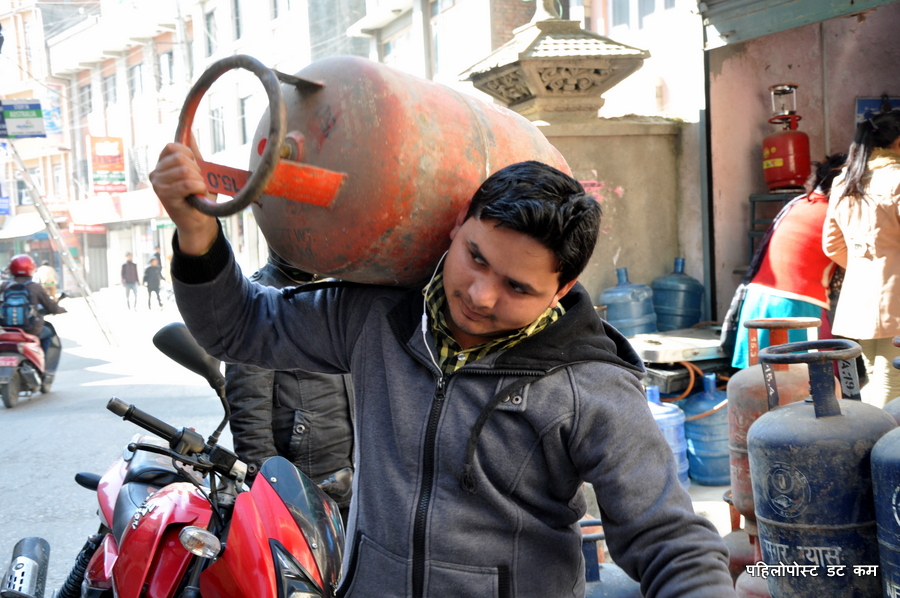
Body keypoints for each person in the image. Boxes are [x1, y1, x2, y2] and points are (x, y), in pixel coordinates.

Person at [151, 144, 735, 598]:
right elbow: (238, 327)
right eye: (475, 257)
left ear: (563, 290)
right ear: (458, 224)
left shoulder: (591, 388)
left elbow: (668, 540)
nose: (480, 295)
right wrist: (198, 233)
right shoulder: (375, 317)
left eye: (516, 287)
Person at [225, 249, 355, 521]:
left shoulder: (339, 288)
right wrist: (273, 490)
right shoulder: (260, 299)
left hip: (354, 481)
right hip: (301, 489)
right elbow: (249, 411)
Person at [728, 154, 847, 369]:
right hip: (797, 306)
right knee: (812, 385)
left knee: (761, 383)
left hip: (757, 301)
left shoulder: (799, 203)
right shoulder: (838, 213)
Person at [824, 107, 900, 407]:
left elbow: (831, 244)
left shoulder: (843, 180)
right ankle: (881, 448)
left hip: (857, 295)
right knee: (890, 380)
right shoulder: (896, 179)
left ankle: (871, 445)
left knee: (871, 375)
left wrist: (864, 267)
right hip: (895, 296)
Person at [0, 254, 66, 357]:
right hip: (30, 329)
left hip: (6, 329)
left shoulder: (4, 287)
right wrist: (61, 309)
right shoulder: (35, 287)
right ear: (32, 268)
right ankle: (42, 363)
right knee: (47, 333)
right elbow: (51, 307)